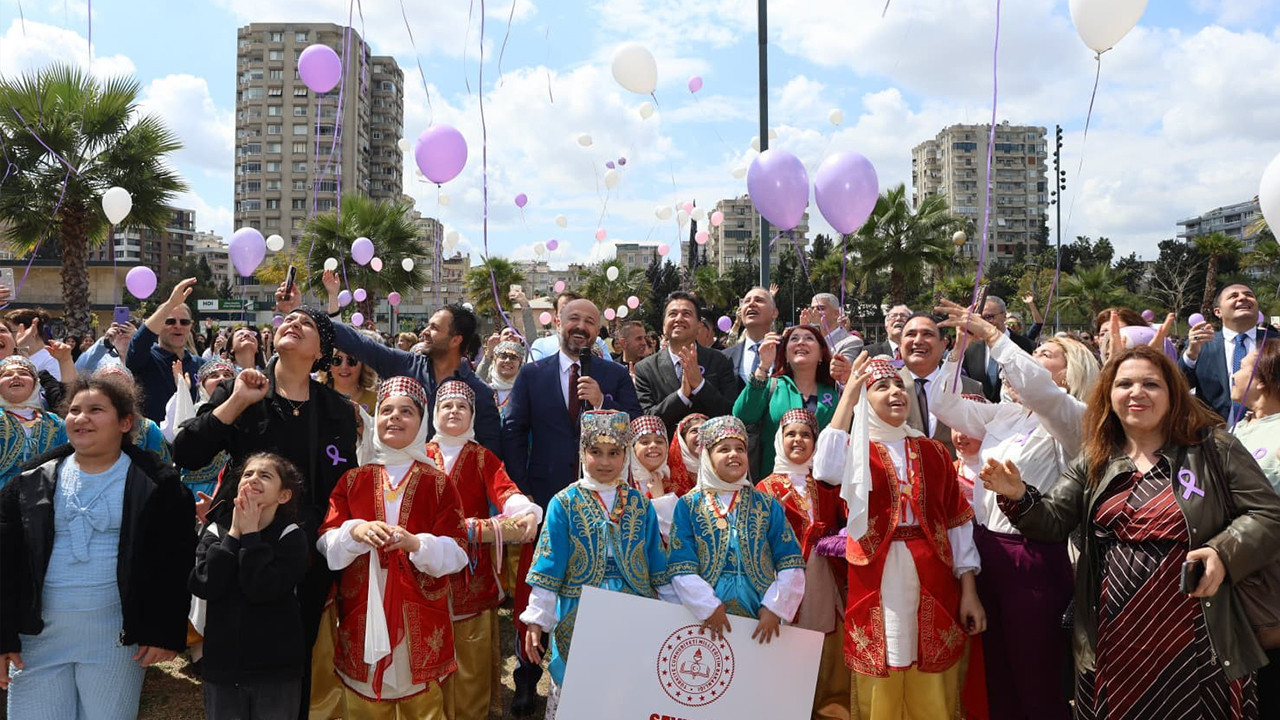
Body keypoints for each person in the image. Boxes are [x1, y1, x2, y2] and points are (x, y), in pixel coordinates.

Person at [982, 344, 1280, 719]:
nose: (1137, 393)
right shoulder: (1095, 458)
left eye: (1151, 384)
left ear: (1172, 394)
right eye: (1124, 384)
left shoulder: (1214, 449)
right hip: (1115, 638)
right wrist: (1019, 495)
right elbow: (1053, 521)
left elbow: (1269, 514)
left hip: (1196, 634)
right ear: (1108, 394)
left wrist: (1223, 553)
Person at [174, 304, 358, 719]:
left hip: (304, 550)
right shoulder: (241, 390)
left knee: (297, 646)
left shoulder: (337, 410)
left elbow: (341, 486)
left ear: (320, 351)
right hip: (239, 540)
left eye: (306, 323)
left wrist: (322, 541)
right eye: (288, 319)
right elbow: (186, 451)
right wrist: (236, 400)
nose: (292, 323)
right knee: (233, 642)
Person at [931, 300, 1101, 720]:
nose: (1028, 359)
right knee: (998, 671)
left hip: (1034, 555)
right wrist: (957, 348)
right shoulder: (1006, 414)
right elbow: (942, 403)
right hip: (989, 550)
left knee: (1036, 677)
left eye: (1044, 354)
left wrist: (993, 335)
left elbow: (1038, 388)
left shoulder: (1072, 417)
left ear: (1070, 371)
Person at [0, 376, 195, 719]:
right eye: (74, 410)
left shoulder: (160, 486)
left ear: (125, 422)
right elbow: (5, 562)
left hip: (115, 641)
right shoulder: (30, 480)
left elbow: (174, 562)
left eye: (95, 410)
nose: (80, 418)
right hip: (37, 639)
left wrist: (163, 630)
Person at [813, 357, 984, 720]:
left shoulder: (933, 451)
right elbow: (825, 470)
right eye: (881, 387)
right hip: (875, 574)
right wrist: (848, 397)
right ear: (864, 399)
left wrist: (969, 590)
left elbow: (957, 522)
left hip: (933, 575)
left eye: (899, 387)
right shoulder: (856, 451)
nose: (895, 393)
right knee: (882, 666)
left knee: (932, 671)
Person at [501, 298, 640, 713]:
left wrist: (603, 402)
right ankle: (527, 677)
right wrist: (522, 493)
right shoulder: (533, 374)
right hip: (544, 502)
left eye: (590, 322)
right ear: (559, 322)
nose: (581, 327)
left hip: (602, 504)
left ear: (599, 330)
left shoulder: (614, 375)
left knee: (589, 589)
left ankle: (592, 673)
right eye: (574, 319)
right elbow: (513, 432)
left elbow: (636, 426)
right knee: (537, 587)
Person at [316, 376, 468, 717]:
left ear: (422, 421)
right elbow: (327, 541)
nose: (395, 418)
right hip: (364, 605)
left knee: (422, 701)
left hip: (419, 608)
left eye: (406, 411)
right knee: (365, 696)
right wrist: (356, 531)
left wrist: (416, 543)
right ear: (375, 421)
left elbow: (458, 551)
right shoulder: (354, 479)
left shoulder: (437, 482)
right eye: (386, 411)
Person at [520, 409, 673, 718]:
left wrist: (676, 611)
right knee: (581, 682)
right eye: (596, 452)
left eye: (614, 452)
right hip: (580, 610)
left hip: (633, 608)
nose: (605, 462)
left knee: (627, 686)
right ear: (582, 452)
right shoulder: (564, 502)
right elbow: (550, 563)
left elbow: (658, 564)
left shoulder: (640, 504)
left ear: (625, 454)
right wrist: (537, 617)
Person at [426, 380, 541, 720]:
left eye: (462, 407)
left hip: (470, 570)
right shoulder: (419, 453)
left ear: (472, 416)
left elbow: (505, 490)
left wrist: (524, 510)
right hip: (425, 565)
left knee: (470, 652)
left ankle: (470, 711)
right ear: (434, 413)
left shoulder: (481, 456)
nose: (454, 411)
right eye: (447, 406)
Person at [307, 271, 503, 456]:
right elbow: (359, 343)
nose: (424, 331)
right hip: (400, 484)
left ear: (455, 340)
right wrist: (307, 317)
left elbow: (491, 455)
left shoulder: (480, 393)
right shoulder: (404, 364)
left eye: (434, 328)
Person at [667, 415, 806, 647]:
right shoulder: (689, 505)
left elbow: (790, 561)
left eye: (740, 448)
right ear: (707, 457)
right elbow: (681, 565)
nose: (734, 454)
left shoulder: (766, 504)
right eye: (723, 449)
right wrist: (708, 606)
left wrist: (775, 607)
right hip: (705, 615)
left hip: (759, 611)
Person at [190, 453, 310, 720]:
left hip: (275, 670)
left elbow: (262, 588)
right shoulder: (216, 533)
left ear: (284, 496)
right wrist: (234, 535)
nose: (254, 479)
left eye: (265, 476)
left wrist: (252, 536)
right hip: (223, 667)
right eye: (248, 474)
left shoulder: (290, 536)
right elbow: (204, 584)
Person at [754, 409, 848, 720]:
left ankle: (831, 710)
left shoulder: (825, 485)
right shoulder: (764, 489)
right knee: (791, 650)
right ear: (779, 441)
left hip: (824, 580)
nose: (798, 440)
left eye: (806, 434)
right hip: (784, 580)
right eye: (791, 434)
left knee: (828, 646)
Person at [734, 324, 840, 473]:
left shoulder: (834, 393)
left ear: (821, 355)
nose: (801, 342)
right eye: (794, 339)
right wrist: (764, 365)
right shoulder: (772, 386)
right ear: (786, 356)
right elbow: (742, 415)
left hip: (822, 486)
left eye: (809, 338)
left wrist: (848, 381)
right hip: (775, 485)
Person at [634, 291, 739, 438]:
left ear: (698, 325)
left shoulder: (720, 361)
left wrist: (700, 385)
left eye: (686, 314)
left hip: (709, 453)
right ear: (664, 326)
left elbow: (731, 413)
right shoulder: (645, 369)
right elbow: (647, 420)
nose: (679, 319)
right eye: (673, 314)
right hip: (665, 455)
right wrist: (681, 395)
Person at [1181, 282, 1280, 421]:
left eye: (1248, 295)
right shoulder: (1202, 345)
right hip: (1216, 435)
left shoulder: (1275, 343)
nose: (1242, 298)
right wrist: (1191, 355)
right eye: (1233, 296)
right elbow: (1179, 386)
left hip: (1269, 433)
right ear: (1218, 312)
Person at [899, 312, 982, 456]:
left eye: (927, 334)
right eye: (911, 334)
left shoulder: (971, 388)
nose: (918, 341)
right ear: (900, 344)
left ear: (944, 344)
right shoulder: (884, 388)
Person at [126, 277, 205, 422]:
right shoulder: (146, 359)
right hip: (154, 441)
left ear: (191, 326)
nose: (178, 326)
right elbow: (139, 342)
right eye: (170, 321)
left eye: (184, 322)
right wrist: (171, 304)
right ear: (159, 324)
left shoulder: (201, 365)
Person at [724, 287, 781, 479]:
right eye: (746, 301)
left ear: (774, 313)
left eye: (759, 300)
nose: (751, 304)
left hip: (779, 455)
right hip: (737, 461)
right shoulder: (725, 358)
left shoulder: (789, 353)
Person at [160, 358, 237, 500]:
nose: (221, 379)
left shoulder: (243, 413)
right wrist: (182, 389)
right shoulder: (194, 412)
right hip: (194, 491)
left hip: (230, 491)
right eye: (214, 376)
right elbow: (173, 435)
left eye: (227, 375)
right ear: (202, 385)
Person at [0, 355, 66, 490]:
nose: (16, 377)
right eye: (7, 375)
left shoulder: (56, 424)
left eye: (24, 373)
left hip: (43, 497)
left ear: (35, 383)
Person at [961, 296, 1036, 402]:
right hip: (980, 413)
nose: (984, 322)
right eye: (979, 318)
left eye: (989, 317)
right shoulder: (970, 349)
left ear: (1004, 316)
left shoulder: (1026, 346)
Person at [630, 415, 679, 540]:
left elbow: (677, 536)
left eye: (659, 441)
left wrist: (660, 498)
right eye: (645, 442)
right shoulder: (624, 482)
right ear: (632, 449)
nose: (653, 446)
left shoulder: (676, 481)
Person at [526, 290, 612, 361]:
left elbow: (610, 374)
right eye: (564, 311)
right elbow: (533, 377)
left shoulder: (598, 343)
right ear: (556, 318)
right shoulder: (541, 345)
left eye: (575, 314)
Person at [804, 293, 864, 361]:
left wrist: (819, 329)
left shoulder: (852, 342)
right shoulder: (806, 341)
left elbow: (839, 368)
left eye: (820, 308)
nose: (815, 312)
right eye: (812, 309)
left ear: (836, 314)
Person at [320, 348, 378, 414]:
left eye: (351, 360)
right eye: (336, 360)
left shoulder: (377, 402)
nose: (344, 367)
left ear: (363, 365)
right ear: (329, 366)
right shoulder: (316, 398)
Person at [479, 340, 525, 418]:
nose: (507, 361)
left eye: (513, 358)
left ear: (520, 364)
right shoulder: (484, 391)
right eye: (503, 357)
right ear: (494, 360)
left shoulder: (525, 393)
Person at [667, 412, 706, 498]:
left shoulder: (720, 470)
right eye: (694, 431)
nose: (701, 435)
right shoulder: (667, 477)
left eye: (705, 431)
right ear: (683, 439)